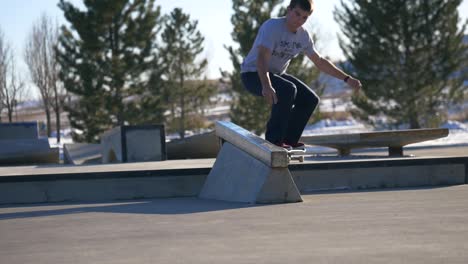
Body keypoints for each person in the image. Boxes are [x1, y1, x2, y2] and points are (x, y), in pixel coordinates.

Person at [240, 0, 362, 149]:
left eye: (304, 17)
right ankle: (274, 141)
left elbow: (319, 61)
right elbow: (262, 58)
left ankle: (289, 140)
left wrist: (347, 79)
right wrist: (266, 85)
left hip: (276, 75)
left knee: (309, 99)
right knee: (288, 89)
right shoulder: (272, 27)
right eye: (297, 14)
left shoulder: (303, 36)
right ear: (288, 10)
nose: (299, 20)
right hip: (253, 74)